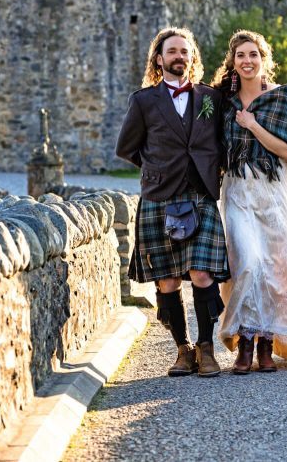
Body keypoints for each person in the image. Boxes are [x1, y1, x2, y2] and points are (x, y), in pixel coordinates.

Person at [116, 27, 229, 378]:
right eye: (172, 51)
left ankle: (207, 348)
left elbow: (221, 142)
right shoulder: (144, 101)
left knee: (201, 272)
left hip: (199, 196)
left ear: (192, 58)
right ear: (159, 59)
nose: (179, 56)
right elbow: (126, 148)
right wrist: (157, 170)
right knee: (166, 281)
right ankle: (183, 349)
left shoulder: (210, 97)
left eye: (185, 51)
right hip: (159, 197)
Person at [211, 30, 287, 373]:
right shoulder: (222, 102)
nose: (247, 61)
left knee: (276, 267)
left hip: (273, 191)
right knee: (247, 262)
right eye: (241, 55)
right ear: (232, 61)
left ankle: (264, 345)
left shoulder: (281, 98)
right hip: (238, 190)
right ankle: (244, 340)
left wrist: (253, 125)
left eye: (253, 55)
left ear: (264, 60)